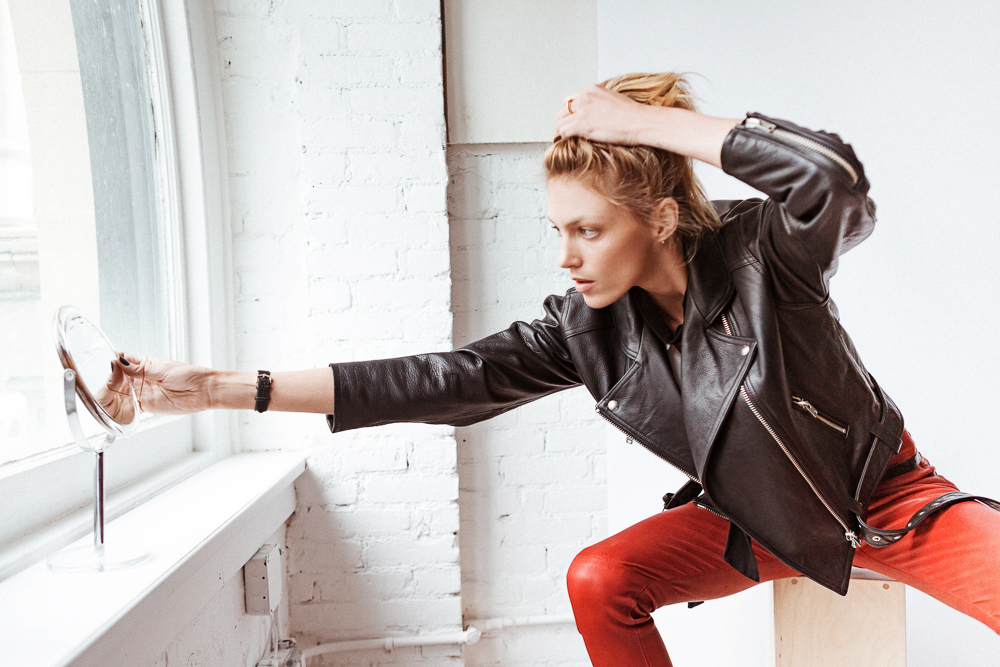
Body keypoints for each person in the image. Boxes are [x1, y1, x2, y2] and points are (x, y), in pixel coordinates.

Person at [117, 73, 1000, 666]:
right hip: (753, 517)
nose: (567, 256)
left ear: (659, 218)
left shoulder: (766, 254)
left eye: (588, 230)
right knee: (600, 578)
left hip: (883, 500)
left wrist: (638, 124)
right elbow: (443, 379)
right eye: (559, 230)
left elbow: (832, 180)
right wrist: (229, 389)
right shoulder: (588, 329)